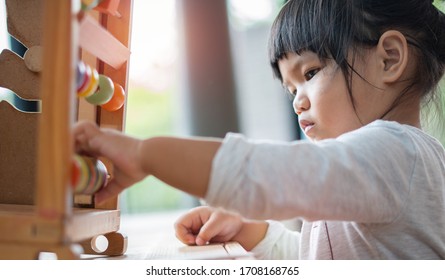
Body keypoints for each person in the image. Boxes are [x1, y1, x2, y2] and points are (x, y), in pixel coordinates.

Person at [73, 0, 445, 259]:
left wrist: (146, 155)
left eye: (310, 73)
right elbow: (317, 258)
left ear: (389, 59)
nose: (298, 101)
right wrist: (253, 232)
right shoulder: (378, 170)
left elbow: (268, 173)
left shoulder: (395, 153)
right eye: (291, 89)